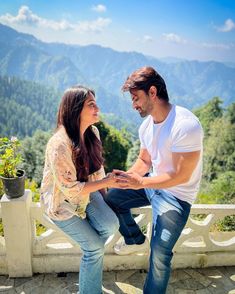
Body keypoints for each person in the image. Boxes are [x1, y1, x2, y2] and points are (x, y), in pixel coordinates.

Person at [105, 66, 203, 294]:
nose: (133, 105)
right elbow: (144, 161)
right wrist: (126, 178)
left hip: (177, 197)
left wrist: (140, 183)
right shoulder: (146, 126)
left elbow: (180, 176)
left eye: (135, 98)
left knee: (159, 254)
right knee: (113, 197)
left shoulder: (185, 125)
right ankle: (134, 239)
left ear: (152, 92)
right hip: (152, 185)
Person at [40, 85, 119, 294]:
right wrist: (107, 183)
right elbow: (71, 190)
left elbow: (97, 169)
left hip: (87, 193)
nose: (97, 108)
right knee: (94, 248)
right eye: (91, 105)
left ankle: (92, 250)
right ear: (76, 109)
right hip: (62, 204)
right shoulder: (59, 144)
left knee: (111, 224)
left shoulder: (92, 132)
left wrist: (105, 196)